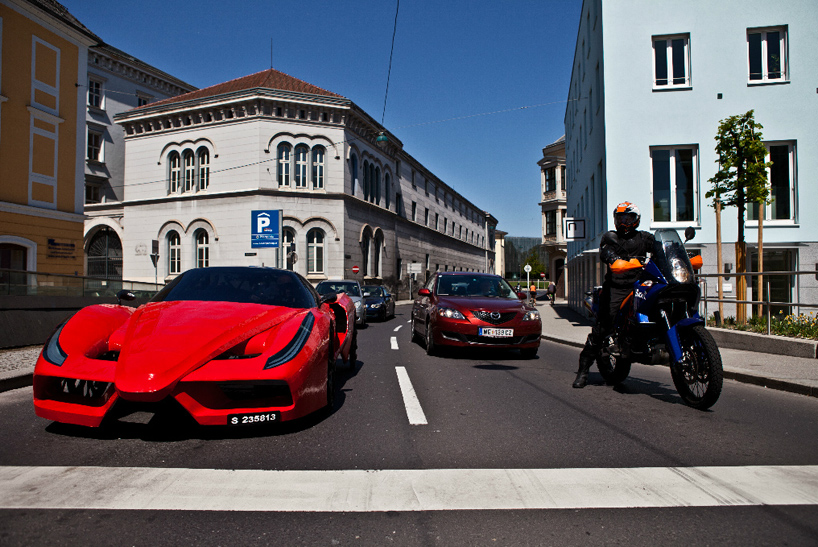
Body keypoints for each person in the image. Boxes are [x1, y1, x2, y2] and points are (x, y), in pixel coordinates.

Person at [573, 201, 655, 388]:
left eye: (628, 217)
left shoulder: (644, 238)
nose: (624, 221)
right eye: (621, 218)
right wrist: (612, 258)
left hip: (640, 285)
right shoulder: (611, 237)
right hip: (617, 287)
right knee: (604, 326)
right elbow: (606, 251)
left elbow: (659, 248)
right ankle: (583, 370)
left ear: (636, 219)